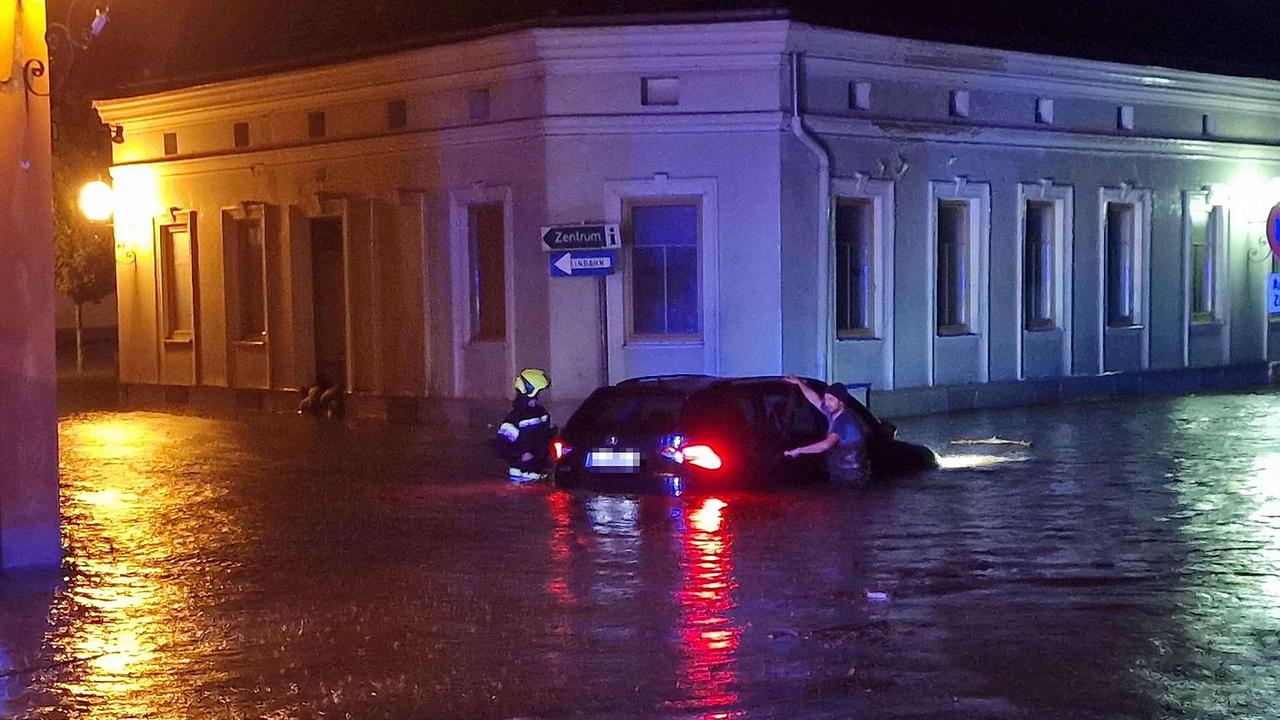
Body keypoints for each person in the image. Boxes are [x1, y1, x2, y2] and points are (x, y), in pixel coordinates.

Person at [782, 375, 869, 486]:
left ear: (841, 402)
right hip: (840, 474)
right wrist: (799, 383)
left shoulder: (844, 421)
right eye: (826, 398)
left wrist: (799, 450)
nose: (827, 403)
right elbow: (815, 399)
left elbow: (826, 445)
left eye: (831, 400)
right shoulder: (831, 413)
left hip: (852, 479)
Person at [495, 368, 554, 483]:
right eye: (538, 393)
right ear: (529, 391)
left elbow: (542, 439)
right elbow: (501, 447)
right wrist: (519, 456)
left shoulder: (542, 413)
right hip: (521, 476)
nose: (538, 398)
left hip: (540, 473)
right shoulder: (514, 419)